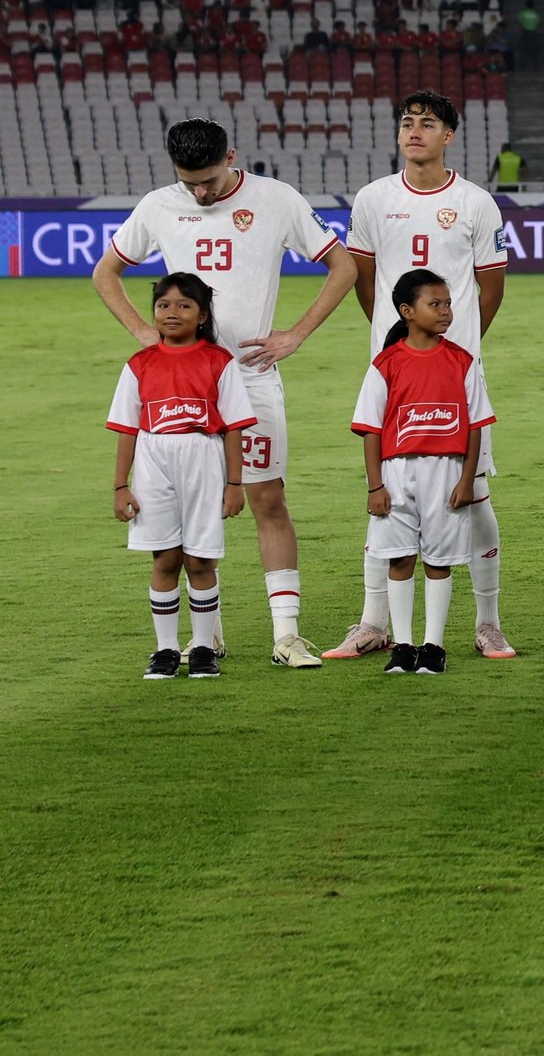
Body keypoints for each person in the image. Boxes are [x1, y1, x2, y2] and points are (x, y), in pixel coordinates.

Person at [92, 117, 358, 669]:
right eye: (189, 182)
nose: (200, 192)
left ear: (231, 156)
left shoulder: (276, 199)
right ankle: (206, 638)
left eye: (209, 180)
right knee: (188, 510)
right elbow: (106, 272)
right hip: (180, 383)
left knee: (266, 499)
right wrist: (144, 333)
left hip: (249, 376)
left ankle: (286, 636)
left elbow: (343, 265)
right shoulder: (159, 205)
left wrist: (296, 334)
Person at [327, 91, 514, 662]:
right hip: (397, 370)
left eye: (427, 124)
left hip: (455, 371)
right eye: (407, 122)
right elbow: (363, 278)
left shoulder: (476, 202)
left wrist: (451, 348)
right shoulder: (372, 198)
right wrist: (401, 343)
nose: (414, 131)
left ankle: (488, 623)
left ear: (449, 135)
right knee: (385, 497)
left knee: (473, 494)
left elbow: (491, 286)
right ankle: (373, 623)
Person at [108, 272, 252, 680]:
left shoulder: (218, 362)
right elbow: (125, 429)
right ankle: (166, 650)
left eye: (184, 305)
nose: (172, 313)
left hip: (203, 461)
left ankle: (204, 649)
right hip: (154, 464)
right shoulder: (139, 365)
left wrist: (234, 483)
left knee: (200, 559)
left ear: (202, 315)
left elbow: (234, 427)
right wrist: (121, 486)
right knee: (165, 557)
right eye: (163, 305)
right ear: (153, 312)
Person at [351, 270, 494, 676]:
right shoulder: (386, 364)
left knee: (439, 560)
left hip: (446, 474)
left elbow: (474, 426)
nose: (446, 311)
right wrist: (375, 484)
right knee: (400, 559)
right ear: (407, 311)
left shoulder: (462, 362)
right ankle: (404, 645)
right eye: (436, 304)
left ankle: (434, 645)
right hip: (395, 475)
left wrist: (467, 479)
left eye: (448, 303)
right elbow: (370, 428)